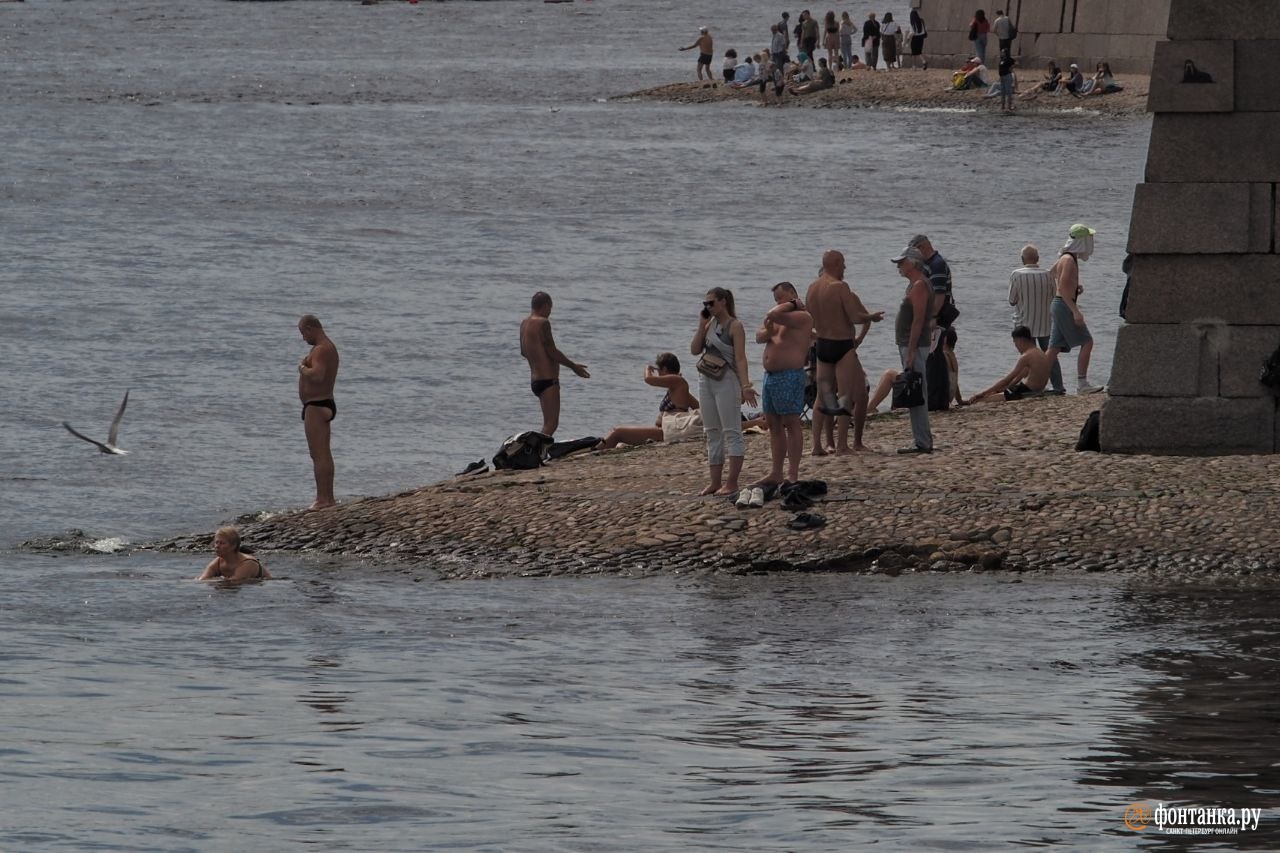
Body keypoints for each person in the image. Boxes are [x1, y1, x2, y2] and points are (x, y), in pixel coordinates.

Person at [805, 250, 885, 454]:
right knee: (845, 395)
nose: (845, 268)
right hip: (842, 345)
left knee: (822, 396)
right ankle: (842, 445)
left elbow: (809, 320)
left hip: (822, 345)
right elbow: (855, 317)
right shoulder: (840, 287)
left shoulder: (812, 288)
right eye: (843, 264)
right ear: (837, 263)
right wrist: (872, 317)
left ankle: (816, 446)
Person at [691, 288, 758, 496]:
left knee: (731, 431)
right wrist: (701, 326)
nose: (707, 307)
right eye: (705, 304)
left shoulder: (735, 326)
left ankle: (732, 482)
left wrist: (745, 386)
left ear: (723, 302)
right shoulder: (709, 324)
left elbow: (740, 358)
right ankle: (714, 482)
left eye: (711, 303)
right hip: (706, 379)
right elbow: (695, 349)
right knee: (712, 432)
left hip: (726, 380)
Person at [754, 282, 812, 486]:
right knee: (773, 424)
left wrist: (793, 305)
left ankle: (793, 473)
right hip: (770, 376)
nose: (778, 303)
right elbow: (759, 336)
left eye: (781, 298)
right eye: (776, 300)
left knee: (791, 422)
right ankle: (776, 472)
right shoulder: (778, 318)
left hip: (789, 375)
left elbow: (773, 313)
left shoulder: (801, 317)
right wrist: (768, 331)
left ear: (793, 295)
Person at [520, 291, 590, 437]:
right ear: (546, 305)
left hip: (535, 380)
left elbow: (523, 352)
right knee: (551, 424)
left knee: (547, 424)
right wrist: (573, 366)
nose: (550, 312)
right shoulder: (543, 323)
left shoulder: (524, 323)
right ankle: (537, 455)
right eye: (550, 308)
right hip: (548, 381)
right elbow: (551, 350)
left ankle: (540, 453)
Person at [1046, 224, 1104, 394]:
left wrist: (1074, 286)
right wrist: (1075, 311)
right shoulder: (1069, 260)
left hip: (1059, 304)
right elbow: (1062, 288)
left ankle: (1037, 381)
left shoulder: (1065, 257)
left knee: (1054, 348)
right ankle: (1082, 383)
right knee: (1087, 342)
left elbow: (1052, 272)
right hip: (1064, 305)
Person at [597, 353, 699, 449]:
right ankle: (597, 447)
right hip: (662, 430)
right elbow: (698, 407)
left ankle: (596, 450)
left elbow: (649, 379)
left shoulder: (677, 381)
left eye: (658, 370)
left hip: (665, 431)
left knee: (617, 432)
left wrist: (648, 368)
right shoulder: (678, 386)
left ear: (664, 369)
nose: (658, 373)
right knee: (618, 438)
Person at [891, 246, 934, 454]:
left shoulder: (919, 285)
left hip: (913, 345)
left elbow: (918, 321)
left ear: (913, 263)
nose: (899, 266)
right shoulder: (915, 285)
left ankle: (923, 442)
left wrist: (910, 352)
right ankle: (922, 439)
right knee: (916, 390)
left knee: (916, 391)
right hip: (909, 344)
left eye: (902, 262)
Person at [907, 234, 956, 412]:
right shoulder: (931, 264)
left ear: (923, 246)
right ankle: (936, 399)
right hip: (934, 314)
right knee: (934, 356)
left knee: (934, 357)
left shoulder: (937, 264)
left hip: (938, 315)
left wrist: (932, 316)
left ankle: (936, 400)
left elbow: (940, 294)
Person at [1008, 244, 1065, 394]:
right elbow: (1055, 297)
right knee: (1050, 356)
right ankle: (1058, 386)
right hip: (1045, 322)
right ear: (1038, 259)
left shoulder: (1016, 274)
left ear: (1022, 259)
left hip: (1024, 323)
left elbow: (1012, 300)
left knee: (1027, 359)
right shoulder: (1048, 275)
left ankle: (1031, 386)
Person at [297, 314, 339, 510]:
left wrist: (302, 369)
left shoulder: (322, 349)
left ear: (309, 328)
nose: (303, 339)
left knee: (318, 454)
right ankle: (327, 497)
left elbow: (318, 375)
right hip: (320, 403)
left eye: (303, 333)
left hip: (317, 404)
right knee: (322, 453)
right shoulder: (323, 348)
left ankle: (323, 499)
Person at [967, 326, 1053, 403]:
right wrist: (1002, 389)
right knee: (995, 392)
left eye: (1015, 342)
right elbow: (1018, 377)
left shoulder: (1026, 356)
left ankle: (972, 400)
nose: (1016, 346)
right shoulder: (1040, 353)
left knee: (981, 400)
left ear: (1019, 340)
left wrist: (982, 393)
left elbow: (1007, 380)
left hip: (1026, 392)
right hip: (1037, 390)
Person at [197, 526, 270, 582]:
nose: (217, 546)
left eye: (222, 543)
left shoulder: (248, 563)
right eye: (216, 542)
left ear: (233, 546)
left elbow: (234, 582)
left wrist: (215, 579)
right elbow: (202, 580)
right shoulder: (218, 562)